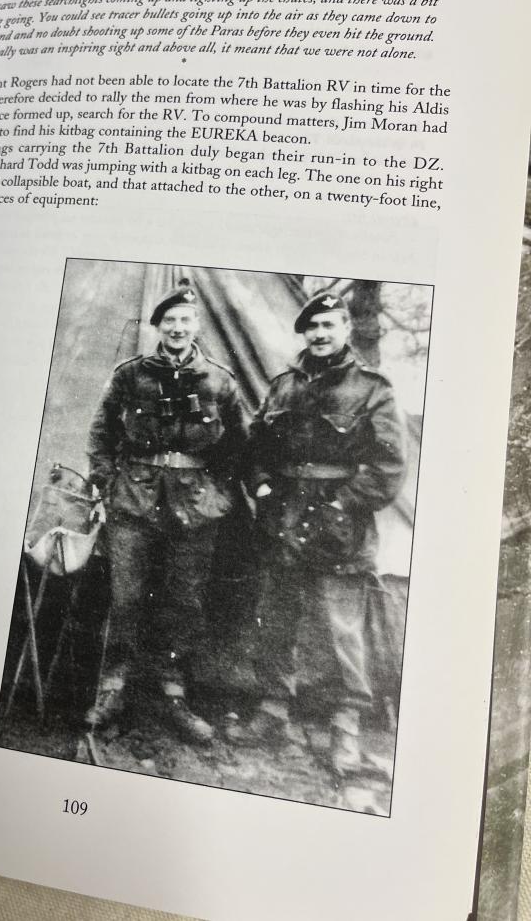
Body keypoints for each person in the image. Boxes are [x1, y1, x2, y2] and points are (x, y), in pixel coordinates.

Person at [233, 290, 407, 777]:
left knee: (341, 631)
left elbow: (389, 465)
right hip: (283, 519)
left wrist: (342, 504)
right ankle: (273, 712)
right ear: (304, 333)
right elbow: (256, 446)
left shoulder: (373, 389)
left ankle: (346, 728)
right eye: (312, 326)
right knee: (276, 621)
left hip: (339, 525)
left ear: (346, 329)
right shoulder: (283, 386)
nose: (320, 334)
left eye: (330, 325)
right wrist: (261, 485)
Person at [86, 278, 246, 742]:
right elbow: (101, 433)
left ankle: (174, 693)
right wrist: (107, 482)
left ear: (197, 325)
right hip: (134, 501)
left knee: (184, 602)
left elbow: (239, 445)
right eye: (170, 320)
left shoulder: (219, 380)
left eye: (185, 320)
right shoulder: (130, 375)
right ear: (157, 326)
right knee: (126, 597)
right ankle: (113, 689)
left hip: (194, 506)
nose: (178, 328)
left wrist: (218, 494)